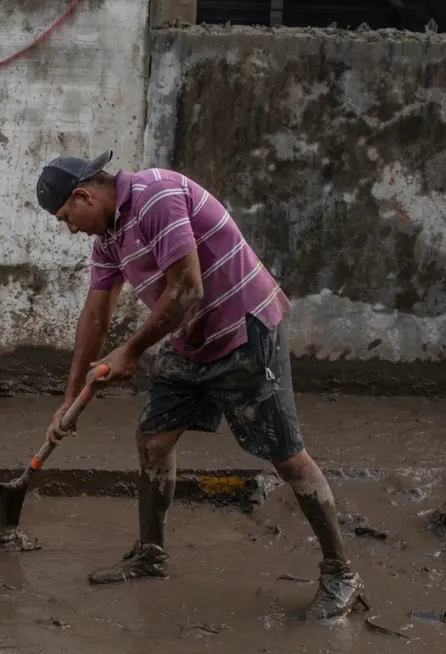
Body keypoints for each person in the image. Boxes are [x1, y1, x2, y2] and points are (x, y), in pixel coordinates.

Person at [38, 152, 365, 621]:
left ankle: (341, 574)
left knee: (286, 455)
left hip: (245, 330)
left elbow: (188, 287)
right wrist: (69, 398)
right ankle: (150, 553)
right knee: (153, 440)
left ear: (83, 195)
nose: (71, 228)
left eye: (66, 217)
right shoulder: (109, 236)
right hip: (190, 336)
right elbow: (95, 314)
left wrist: (129, 351)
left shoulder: (156, 195)